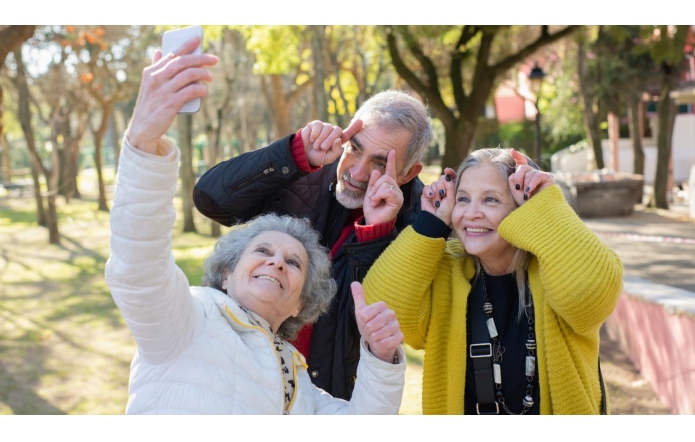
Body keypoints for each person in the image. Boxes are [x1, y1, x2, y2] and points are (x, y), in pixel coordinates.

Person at [104, 36, 406, 414]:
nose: (277, 262)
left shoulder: (298, 385)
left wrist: (381, 358)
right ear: (226, 275)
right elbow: (137, 267)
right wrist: (144, 142)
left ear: (301, 304)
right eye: (263, 250)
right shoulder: (188, 320)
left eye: (294, 263)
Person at [193, 81, 432, 400]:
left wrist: (376, 233)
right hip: (240, 376)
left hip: (322, 397)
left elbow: (366, 323)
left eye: (379, 163)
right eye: (355, 148)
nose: (357, 173)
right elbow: (210, 199)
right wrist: (292, 153)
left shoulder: (419, 223)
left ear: (407, 173)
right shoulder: (307, 169)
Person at [362, 147, 624, 414]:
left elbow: (588, 297)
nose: (471, 213)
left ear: (523, 206)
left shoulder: (557, 267)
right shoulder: (447, 269)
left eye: (490, 200)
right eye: (463, 199)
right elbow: (380, 307)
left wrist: (546, 206)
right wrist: (431, 223)